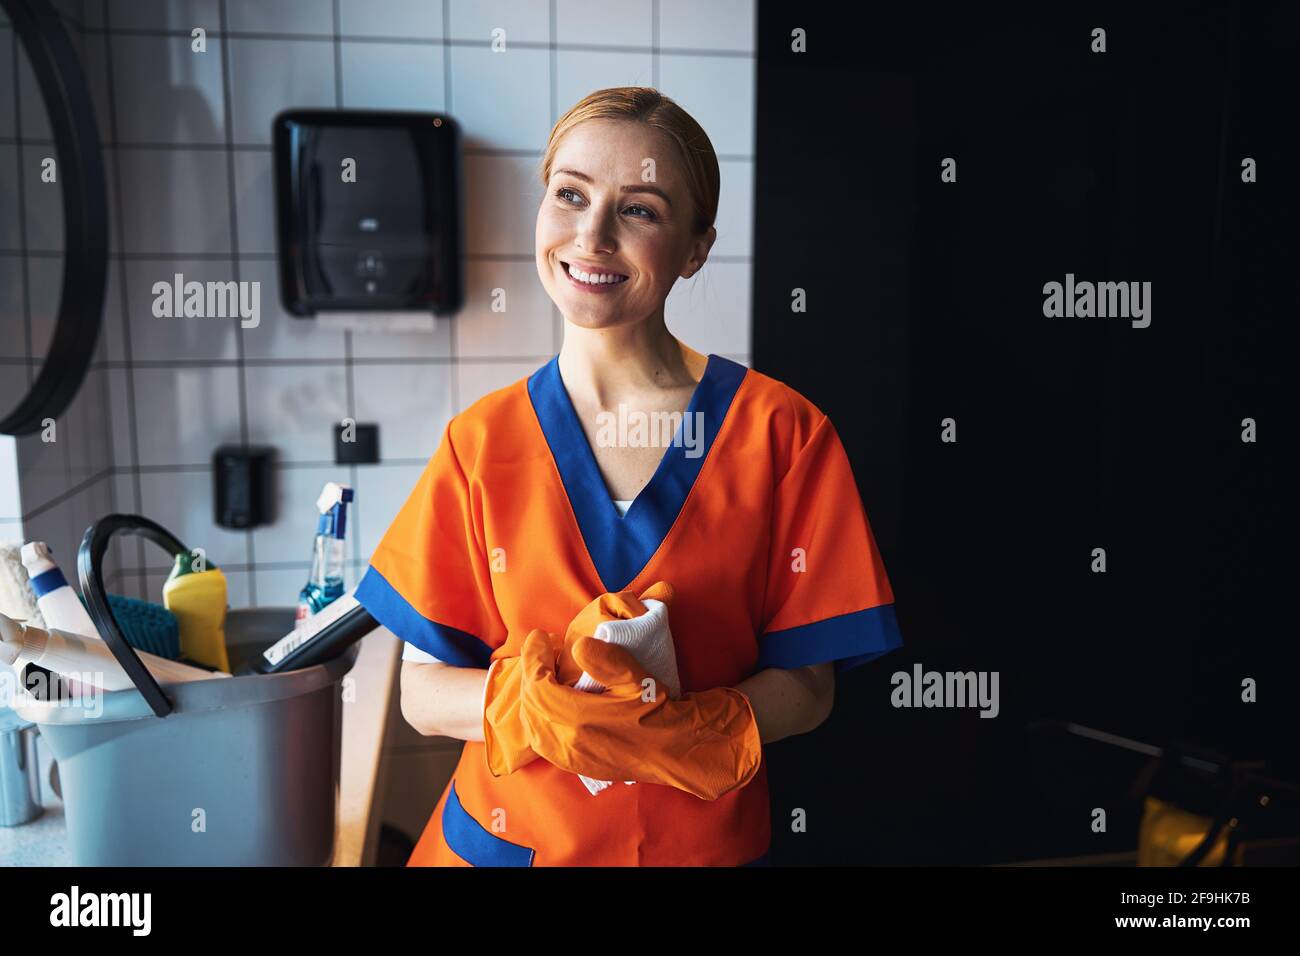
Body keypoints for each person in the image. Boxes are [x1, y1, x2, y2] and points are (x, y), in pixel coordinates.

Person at [355, 87, 903, 866]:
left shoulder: (783, 436)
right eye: (570, 195)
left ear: (695, 248)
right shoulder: (482, 443)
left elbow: (810, 687)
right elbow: (421, 690)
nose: (592, 234)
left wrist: (698, 728)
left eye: (640, 209)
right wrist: (530, 711)